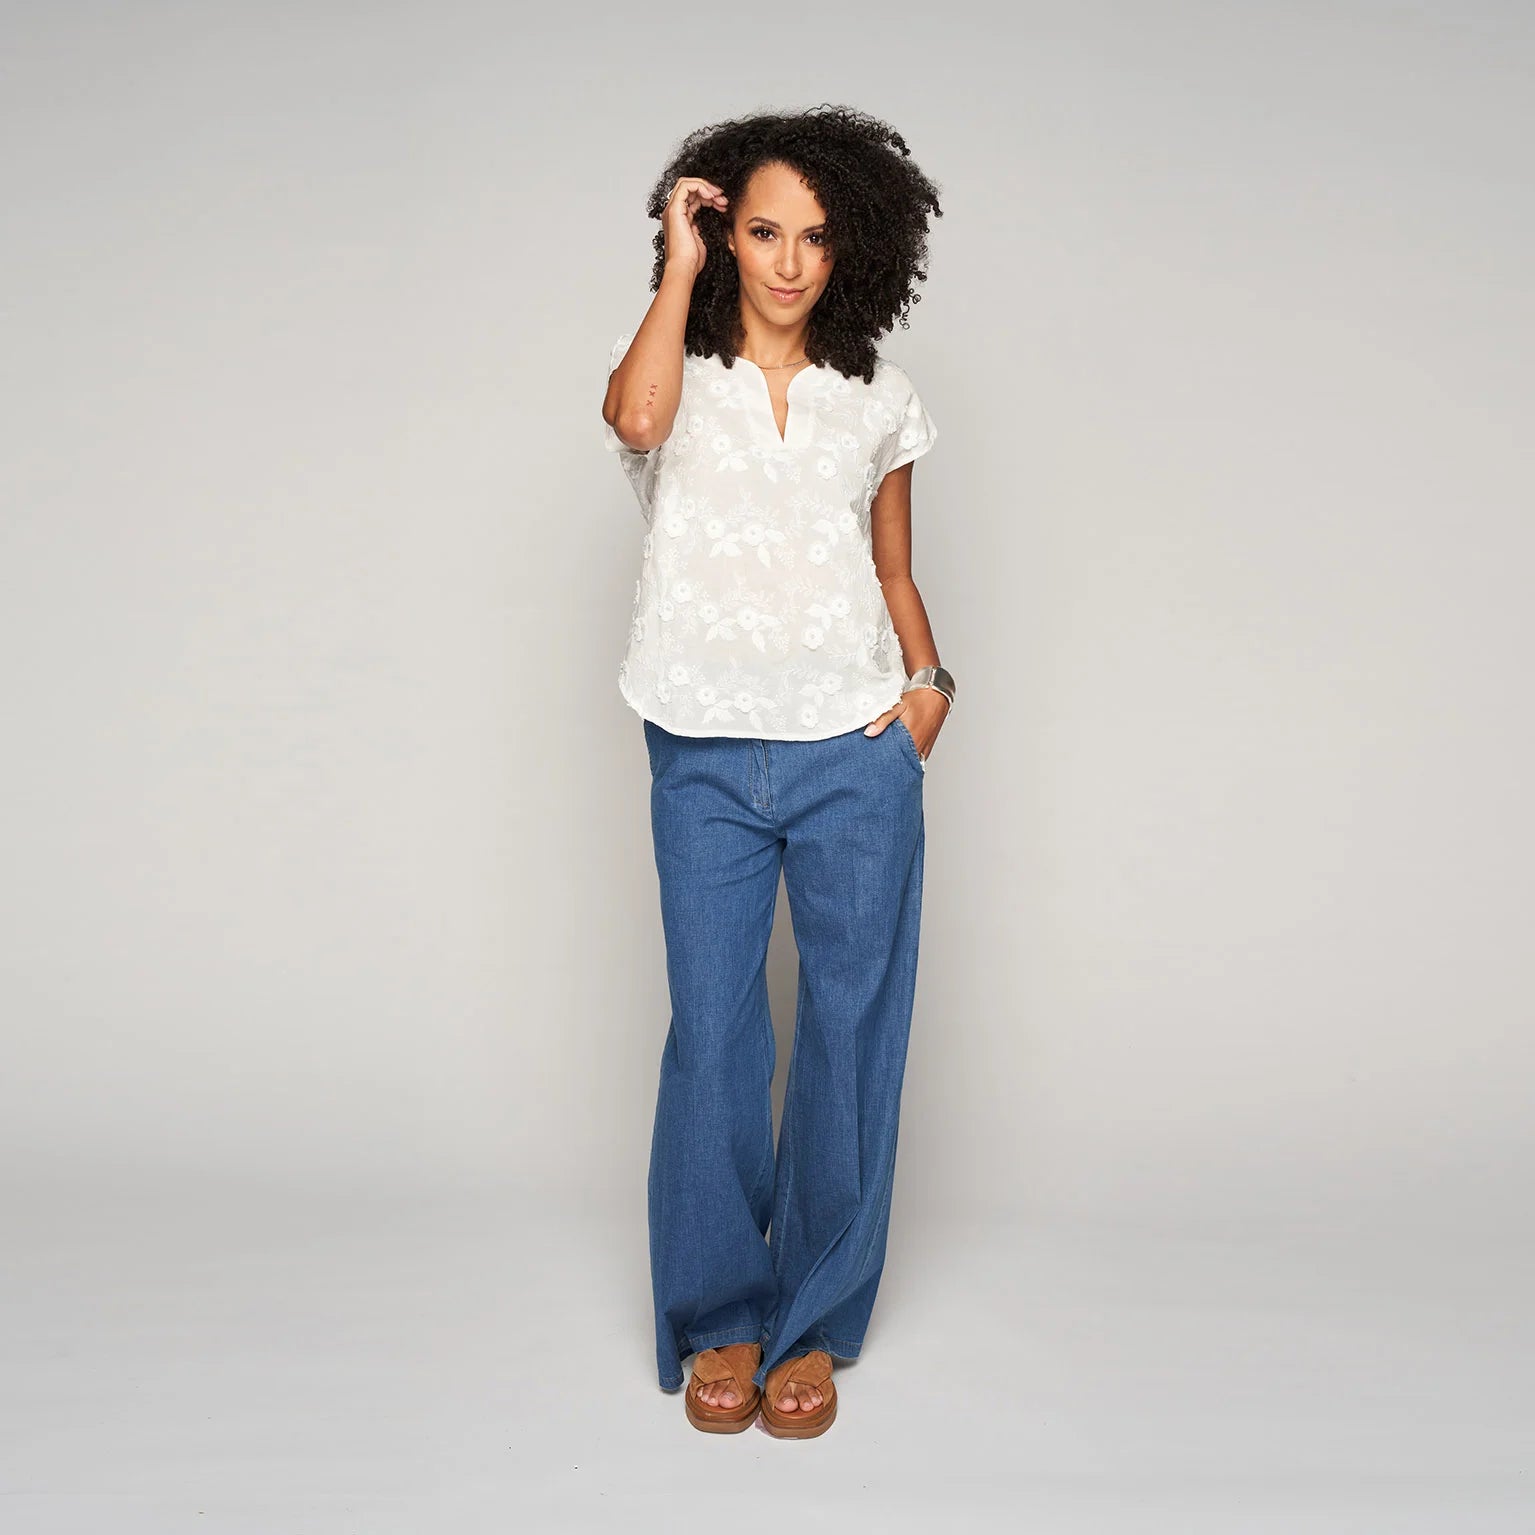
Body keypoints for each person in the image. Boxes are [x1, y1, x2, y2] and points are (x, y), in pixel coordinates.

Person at [601, 106, 956, 1440]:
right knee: (715, 1033)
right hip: (701, 748)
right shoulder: (675, 374)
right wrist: (677, 266)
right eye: (762, 232)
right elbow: (632, 416)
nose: (791, 262)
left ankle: (813, 1318)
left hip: (857, 749)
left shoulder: (880, 399)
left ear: (853, 248)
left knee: (850, 1034)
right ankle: (722, 1313)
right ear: (724, 237)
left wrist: (930, 693)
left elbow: (893, 570)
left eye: (815, 237)